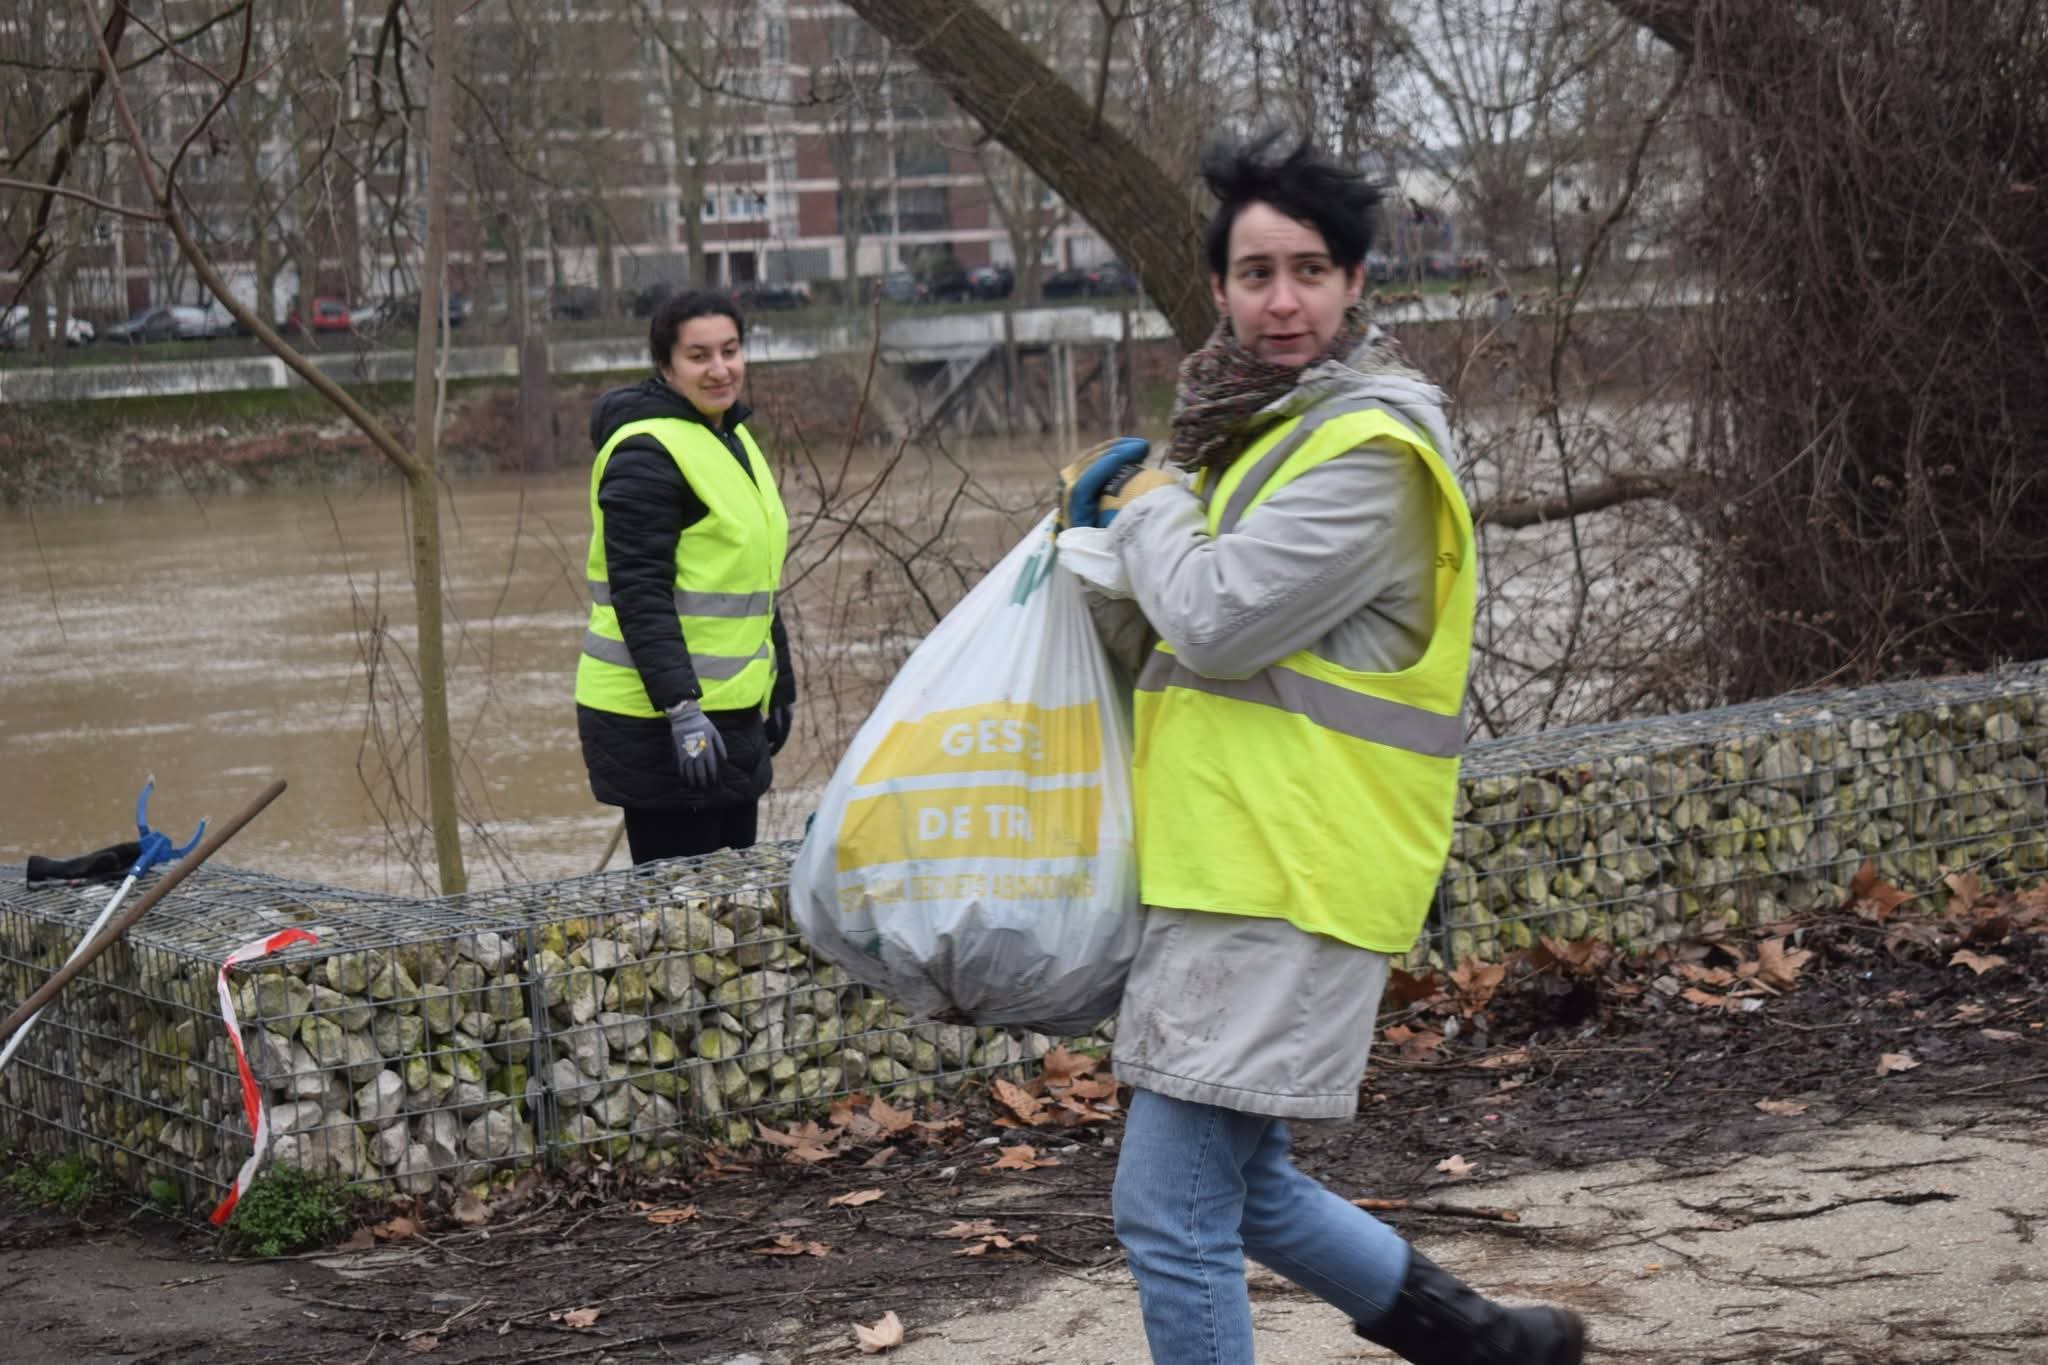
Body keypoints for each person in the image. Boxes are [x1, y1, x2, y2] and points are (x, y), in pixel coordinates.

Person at [1059, 133, 1586, 1363]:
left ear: (1355, 283)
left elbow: (1216, 614)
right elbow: (1171, 636)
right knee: (1247, 1188)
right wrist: (1112, 539)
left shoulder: (1367, 455)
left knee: (1166, 1208)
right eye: (1254, 274)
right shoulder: (1255, 435)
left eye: (1307, 270)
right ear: (1217, 292)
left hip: (1284, 873)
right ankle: (1486, 1344)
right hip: (1236, 861)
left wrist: (1155, 509)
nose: (1280, 300)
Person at [575, 289, 796, 865]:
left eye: (730, 350)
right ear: (666, 366)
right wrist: (682, 711)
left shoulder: (730, 437)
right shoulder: (646, 453)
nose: (720, 369)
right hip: (659, 722)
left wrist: (780, 685)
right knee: (679, 920)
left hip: (731, 711)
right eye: (700, 356)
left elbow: (752, 578)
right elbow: (639, 593)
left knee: (729, 914)